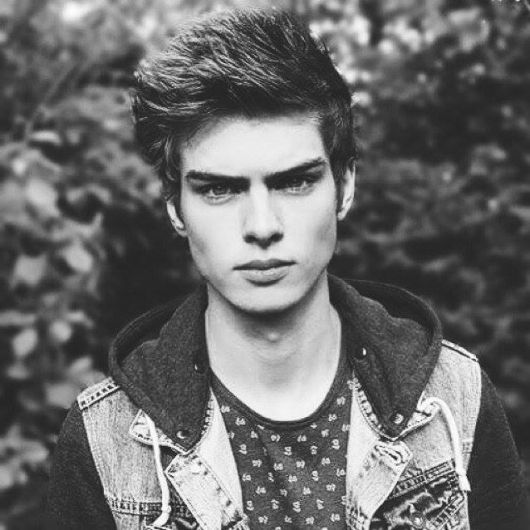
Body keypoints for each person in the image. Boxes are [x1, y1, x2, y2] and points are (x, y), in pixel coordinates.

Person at [46, 8, 528, 530]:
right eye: (219, 189)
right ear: (174, 207)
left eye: (294, 182)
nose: (262, 226)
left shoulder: (456, 398)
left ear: (344, 186)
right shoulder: (105, 438)